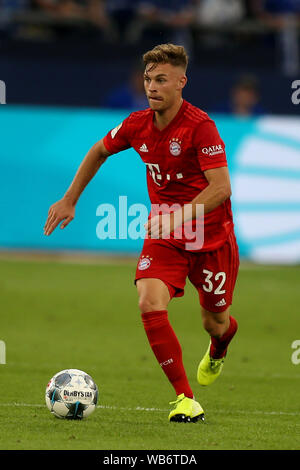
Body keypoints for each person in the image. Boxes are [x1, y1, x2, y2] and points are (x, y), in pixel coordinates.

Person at [44, 43, 239, 423]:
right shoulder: (136, 124)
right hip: (164, 232)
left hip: (209, 236)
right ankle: (185, 398)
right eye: (148, 78)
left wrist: (179, 216)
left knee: (215, 321)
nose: (152, 86)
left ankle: (219, 347)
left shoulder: (201, 127)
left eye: (161, 79)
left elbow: (221, 188)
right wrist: (70, 199)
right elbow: (99, 150)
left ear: (181, 82)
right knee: (149, 301)